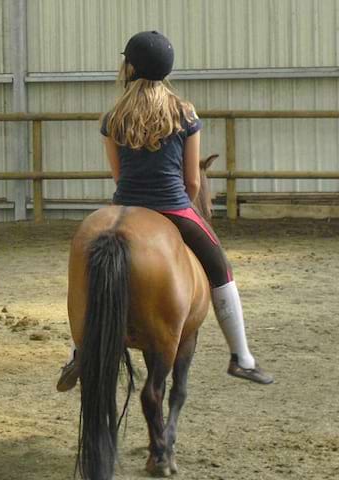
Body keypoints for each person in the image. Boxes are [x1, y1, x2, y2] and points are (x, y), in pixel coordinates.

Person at [57, 31, 273, 391]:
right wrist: (179, 201)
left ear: (129, 67)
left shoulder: (113, 116)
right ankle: (242, 357)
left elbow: (117, 174)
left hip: (125, 204)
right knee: (221, 269)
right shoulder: (185, 112)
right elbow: (192, 180)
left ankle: (78, 351)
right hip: (174, 207)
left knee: (88, 271)